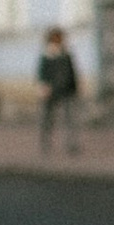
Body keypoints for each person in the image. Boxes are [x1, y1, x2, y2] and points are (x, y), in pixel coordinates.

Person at [38, 24, 82, 155]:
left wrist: (75, 88)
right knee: (48, 120)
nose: (59, 41)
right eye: (56, 38)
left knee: (69, 120)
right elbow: (42, 73)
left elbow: (72, 72)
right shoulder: (47, 55)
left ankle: (70, 144)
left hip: (66, 90)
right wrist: (44, 87)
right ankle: (45, 145)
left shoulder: (65, 54)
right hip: (51, 91)